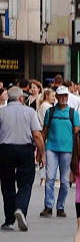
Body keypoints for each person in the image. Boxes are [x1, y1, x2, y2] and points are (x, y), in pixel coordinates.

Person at [0, 85, 44, 231]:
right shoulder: (29, 112)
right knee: (25, 182)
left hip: (5, 149)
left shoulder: (1, 112)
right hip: (25, 148)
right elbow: (37, 134)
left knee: (7, 184)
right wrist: (41, 153)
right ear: (20, 98)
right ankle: (20, 207)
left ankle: (9, 220)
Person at [40, 84, 80, 217]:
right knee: (50, 177)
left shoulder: (72, 113)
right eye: (61, 96)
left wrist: (78, 151)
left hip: (67, 150)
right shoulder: (50, 112)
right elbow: (44, 131)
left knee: (64, 181)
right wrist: (40, 150)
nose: (63, 98)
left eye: (65, 96)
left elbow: (76, 133)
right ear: (57, 97)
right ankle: (48, 205)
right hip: (51, 147)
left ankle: (60, 206)